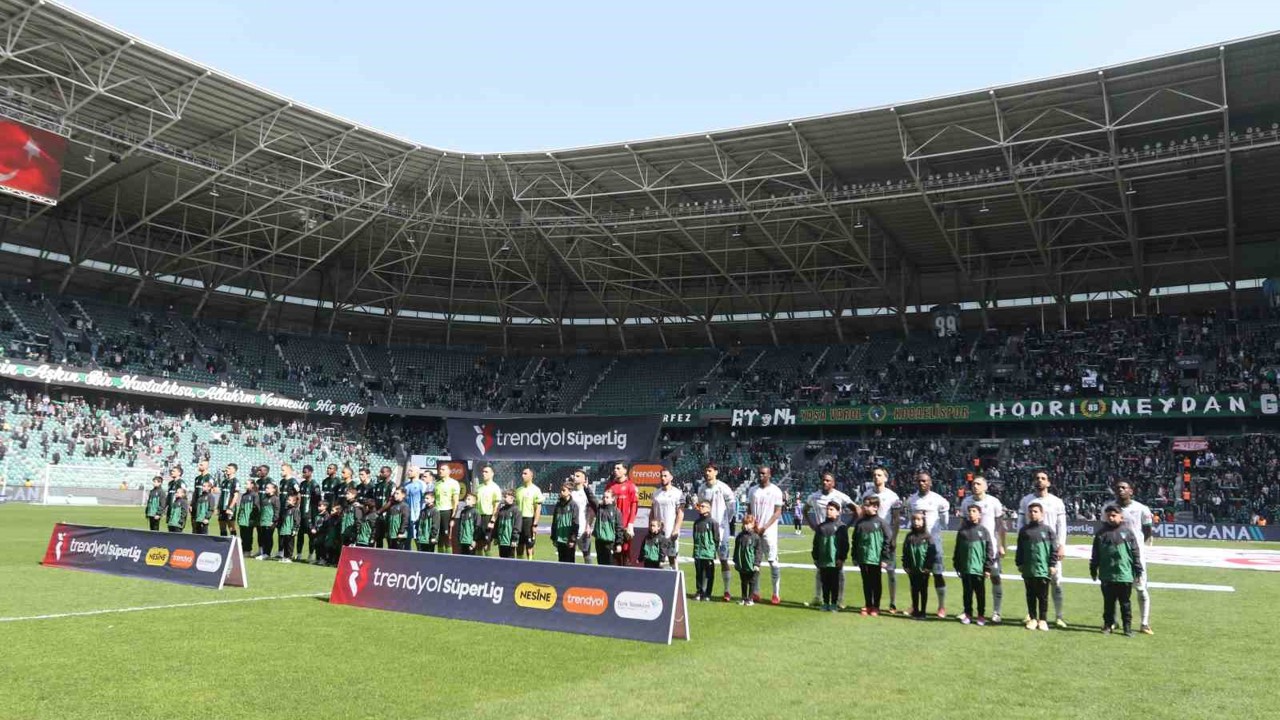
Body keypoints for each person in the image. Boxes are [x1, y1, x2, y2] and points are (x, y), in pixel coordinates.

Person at [1017, 471, 1068, 628]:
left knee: (1055, 581)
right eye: (1037, 478)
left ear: (1049, 482)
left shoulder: (1057, 502)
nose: (1040, 481)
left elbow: (1062, 525)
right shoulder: (1026, 500)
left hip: (1050, 547)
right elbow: (1020, 524)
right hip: (1032, 546)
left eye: (1043, 478)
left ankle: (1058, 616)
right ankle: (1032, 615)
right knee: (1032, 582)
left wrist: (1061, 545)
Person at [1090, 504, 1144, 637]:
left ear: (1121, 516)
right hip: (1107, 574)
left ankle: (1127, 628)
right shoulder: (1101, 534)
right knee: (1108, 603)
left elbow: (1135, 552)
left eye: (1114, 515)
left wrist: (1138, 570)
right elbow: (1095, 554)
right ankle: (1108, 625)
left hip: (1124, 574)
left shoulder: (1128, 533)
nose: (1111, 518)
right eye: (1108, 516)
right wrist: (1093, 568)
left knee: (1125, 603)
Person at [959, 475, 1006, 623]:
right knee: (971, 580)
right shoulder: (966, 502)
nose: (975, 486)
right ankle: (967, 611)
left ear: (985, 487)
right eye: (973, 484)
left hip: (989, 547)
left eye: (979, 484)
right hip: (972, 548)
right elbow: (962, 525)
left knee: (995, 578)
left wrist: (1001, 545)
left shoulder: (994, 502)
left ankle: (996, 612)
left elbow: (1000, 525)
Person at [806, 472, 856, 607]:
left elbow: (856, 510)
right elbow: (805, 510)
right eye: (823, 480)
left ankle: (839, 600)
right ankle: (818, 597)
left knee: (839, 570)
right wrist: (813, 526)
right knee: (820, 570)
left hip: (836, 537)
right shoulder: (814, 496)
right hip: (822, 535)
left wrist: (845, 527)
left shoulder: (840, 496)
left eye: (828, 481)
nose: (825, 482)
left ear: (833, 483)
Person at [906, 471, 950, 618]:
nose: (922, 483)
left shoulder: (939, 500)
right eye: (919, 481)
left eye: (925, 481)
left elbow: (945, 522)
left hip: (933, 543)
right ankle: (914, 605)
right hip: (917, 544)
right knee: (916, 576)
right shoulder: (911, 500)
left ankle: (942, 606)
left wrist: (935, 534)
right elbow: (910, 519)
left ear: (930, 483)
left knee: (937, 574)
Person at [860, 467, 904, 613]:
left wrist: (893, 539)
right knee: (871, 573)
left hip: (886, 538)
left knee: (890, 571)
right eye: (874, 475)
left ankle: (892, 602)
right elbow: (863, 515)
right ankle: (871, 603)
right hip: (871, 540)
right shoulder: (867, 494)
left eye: (879, 475)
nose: (876, 477)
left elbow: (897, 520)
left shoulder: (893, 496)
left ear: (885, 478)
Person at [1115, 480, 1155, 635]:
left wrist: (1137, 548)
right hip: (1116, 555)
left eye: (1124, 487)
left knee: (1140, 588)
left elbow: (1147, 531)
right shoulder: (1109, 508)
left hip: (1135, 556)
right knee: (1115, 589)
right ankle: (1113, 621)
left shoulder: (1142, 509)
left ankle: (1144, 623)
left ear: (1131, 491)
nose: (1120, 490)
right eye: (1118, 487)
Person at [696, 463, 737, 601]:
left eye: (710, 471)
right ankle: (703, 591)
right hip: (706, 531)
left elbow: (732, 506)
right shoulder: (702, 488)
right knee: (705, 561)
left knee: (724, 560)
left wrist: (726, 521)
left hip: (721, 529)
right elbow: (701, 506)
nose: (707, 473)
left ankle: (727, 590)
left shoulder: (723, 487)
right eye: (706, 470)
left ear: (716, 472)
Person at [1016, 502, 1057, 631]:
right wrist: (1019, 563)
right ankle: (1033, 618)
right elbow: (1020, 549)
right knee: (1030, 595)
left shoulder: (1048, 530)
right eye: (1031, 512)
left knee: (1043, 596)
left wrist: (1052, 564)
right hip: (1029, 568)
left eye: (1035, 511)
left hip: (1043, 569)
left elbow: (1053, 549)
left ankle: (1043, 620)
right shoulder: (1024, 531)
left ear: (1041, 513)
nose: (1033, 514)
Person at [746, 465, 785, 604]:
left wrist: (765, 527)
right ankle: (755, 592)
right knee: (755, 562)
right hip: (755, 531)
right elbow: (749, 510)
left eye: (763, 473)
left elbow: (778, 512)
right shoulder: (752, 490)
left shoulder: (776, 491)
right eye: (759, 473)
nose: (760, 475)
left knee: (773, 561)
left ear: (769, 474)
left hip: (769, 532)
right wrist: (752, 525)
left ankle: (775, 593)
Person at [953, 504, 994, 625]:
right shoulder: (962, 531)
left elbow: (989, 550)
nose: (971, 513)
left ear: (979, 514)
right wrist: (957, 564)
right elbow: (957, 549)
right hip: (966, 569)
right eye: (969, 511)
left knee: (980, 593)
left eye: (974, 511)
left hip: (979, 569)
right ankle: (968, 614)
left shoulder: (983, 531)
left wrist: (987, 567)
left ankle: (981, 615)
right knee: (967, 593)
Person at [851, 496, 892, 616]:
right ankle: (868, 604)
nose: (864, 507)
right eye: (864, 505)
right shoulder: (860, 522)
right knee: (866, 582)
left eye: (867, 505)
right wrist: (854, 556)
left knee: (876, 582)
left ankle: (876, 606)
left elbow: (887, 540)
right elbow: (855, 540)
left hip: (876, 558)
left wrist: (884, 558)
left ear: (876, 507)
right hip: (863, 557)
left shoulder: (881, 522)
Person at [811, 501, 849, 612]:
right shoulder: (821, 527)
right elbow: (816, 544)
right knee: (825, 583)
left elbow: (845, 545)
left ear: (838, 512)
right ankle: (825, 602)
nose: (828, 511)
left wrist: (842, 558)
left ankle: (834, 603)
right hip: (823, 560)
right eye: (827, 509)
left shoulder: (841, 527)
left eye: (831, 509)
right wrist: (816, 557)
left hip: (835, 561)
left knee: (835, 583)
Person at [901, 511, 938, 620]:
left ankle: (923, 611)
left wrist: (928, 567)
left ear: (923, 521)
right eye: (914, 519)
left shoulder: (927, 537)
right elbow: (905, 552)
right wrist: (906, 565)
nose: (916, 522)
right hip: (912, 569)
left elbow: (932, 553)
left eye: (919, 519)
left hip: (924, 570)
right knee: (914, 589)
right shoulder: (909, 536)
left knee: (923, 589)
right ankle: (915, 610)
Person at [650, 468, 684, 570]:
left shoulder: (678, 493)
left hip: (670, 531)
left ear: (671, 477)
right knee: (657, 557)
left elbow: (680, 513)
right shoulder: (656, 494)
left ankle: (677, 582)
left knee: (672, 558)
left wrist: (676, 529)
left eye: (665, 476)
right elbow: (652, 512)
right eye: (661, 476)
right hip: (658, 532)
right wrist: (651, 526)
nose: (662, 478)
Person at [606, 463, 639, 565]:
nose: (615, 470)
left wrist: (630, 524)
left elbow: (634, 506)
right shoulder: (610, 486)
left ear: (625, 470)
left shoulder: (631, 486)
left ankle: (626, 578)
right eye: (614, 468)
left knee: (625, 553)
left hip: (624, 527)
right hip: (611, 526)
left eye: (618, 468)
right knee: (613, 555)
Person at [692, 500, 720, 601]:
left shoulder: (713, 522)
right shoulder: (696, 522)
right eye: (700, 506)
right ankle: (699, 591)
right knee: (699, 574)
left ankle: (708, 594)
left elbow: (717, 539)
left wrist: (712, 550)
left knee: (709, 575)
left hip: (708, 553)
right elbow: (694, 537)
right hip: (698, 553)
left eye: (703, 506)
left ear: (709, 508)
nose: (700, 508)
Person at [514, 468, 544, 560]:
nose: (523, 475)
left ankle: (530, 563)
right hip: (518, 520)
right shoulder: (518, 490)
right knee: (519, 544)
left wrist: (535, 524)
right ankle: (519, 564)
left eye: (525, 473)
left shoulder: (536, 490)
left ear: (531, 476)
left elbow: (538, 508)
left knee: (529, 545)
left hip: (529, 520)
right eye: (522, 473)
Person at [473, 464, 503, 556]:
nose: (483, 473)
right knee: (478, 544)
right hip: (478, 517)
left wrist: (493, 520)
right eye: (483, 471)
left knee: (486, 544)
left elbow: (497, 506)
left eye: (486, 472)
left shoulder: (495, 488)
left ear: (492, 474)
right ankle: (478, 565)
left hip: (488, 517)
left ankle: (488, 565)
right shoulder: (479, 487)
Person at [733, 514, 762, 605]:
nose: (746, 526)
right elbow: (736, 549)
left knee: (752, 581)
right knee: (743, 581)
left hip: (752, 563)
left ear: (753, 524)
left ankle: (750, 599)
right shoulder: (740, 536)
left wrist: (756, 564)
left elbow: (758, 551)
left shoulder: (756, 537)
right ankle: (743, 598)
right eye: (745, 523)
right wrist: (736, 561)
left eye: (749, 524)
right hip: (742, 563)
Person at [570, 470, 598, 564]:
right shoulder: (570, 492)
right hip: (571, 529)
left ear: (584, 479)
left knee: (586, 555)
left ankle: (590, 575)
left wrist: (588, 525)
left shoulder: (587, 493)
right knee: (569, 554)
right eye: (574, 475)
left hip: (583, 529)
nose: (575, 477)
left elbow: (592, 511)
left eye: (577, 476)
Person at [434, 465, 461, 552]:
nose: (440, 471)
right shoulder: (437, 483)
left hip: (447, 512)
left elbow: (455, 502)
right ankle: (440, 557)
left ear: (449, 472)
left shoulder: (454, 483)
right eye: (440, 469)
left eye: (443, 469)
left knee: (447, 536)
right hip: (437, 512)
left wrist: (453, 516)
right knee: (438, 537)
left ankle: (449, 558)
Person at [550, 482, 579, 563]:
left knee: (570, 562)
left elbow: (575, 523)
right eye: (561, 490)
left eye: (564, 490)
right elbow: (554, 522)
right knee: (561, 561)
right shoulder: (558, 505)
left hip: (568, 540)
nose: (561, 492)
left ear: (569, 491)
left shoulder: (574, 505)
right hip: (559, 539)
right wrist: (553, 537)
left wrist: (572, 539)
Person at [593, 490, 623, 566]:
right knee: (600, 564)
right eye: (604, 497)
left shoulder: (616, 512)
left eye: (607, 497)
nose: (605, 499)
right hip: (599, 542)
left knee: (609, 564)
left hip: (610, 543)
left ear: (613, 498)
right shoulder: (599, 509)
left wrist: (619, 543)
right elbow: (592, 499)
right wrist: (586, 488)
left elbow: (619, 528)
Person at [298, 465, 321, 562]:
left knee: (311, 536)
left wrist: (313, 515)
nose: (304, 473)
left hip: (310, 515)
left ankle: (311, 554)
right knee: (300, 535)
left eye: (305, 471)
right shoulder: (302, 484)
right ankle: (298, 554)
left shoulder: (314, 485)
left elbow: (317, 502)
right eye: (303, 471)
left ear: (311, 472)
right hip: (301, 514)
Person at [494, 489, 520, 559]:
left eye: (506, 497)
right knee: (502, 558)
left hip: (510, 541)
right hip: (501, 541)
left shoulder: (516, 510)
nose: (504, 498)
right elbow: (497, 525)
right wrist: (496, 537)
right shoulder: (501, 510)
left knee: (510, 560)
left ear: (512, 498)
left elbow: (517, 526)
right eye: (504, 497)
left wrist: (514, 539)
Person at [256, 482, 280, 560]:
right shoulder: (264, 498)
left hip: (270, 522)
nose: (266, 489)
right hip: (263, 521)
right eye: (265, 488)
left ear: (273, 489)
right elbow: (262, 510)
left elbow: (277, 510)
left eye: (268, 488)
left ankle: (267, 553)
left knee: (268, 537)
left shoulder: (275, 499)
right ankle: (264, 552)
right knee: (263, 537)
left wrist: (273, 521)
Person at [235, 480, 258, 556]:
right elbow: (241, 507)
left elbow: (256, 508)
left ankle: (248, 551)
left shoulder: (255, 495)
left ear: (252, 485)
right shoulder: (244, 495)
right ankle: (243, 550)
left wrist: (253, 519)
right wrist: (239, 517)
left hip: (249, 520)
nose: (245, 485)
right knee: (243, 536)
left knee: (248, 536)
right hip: (242, 520)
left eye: (246, 484)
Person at [217, 463, 239, 538]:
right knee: (222, 526)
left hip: (230, 508)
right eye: (227, 468)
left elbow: (236, 496)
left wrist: (230, 508)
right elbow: (221, 495)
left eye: (229, 468)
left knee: (231, 526)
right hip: (222, 507)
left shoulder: (235, 481)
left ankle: (234, 544)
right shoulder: (224, 481)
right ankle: (224, 544)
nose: (227, 469)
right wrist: (218, 507)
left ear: (234, 470)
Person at [278, 493, 300, 564]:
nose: (287, 501)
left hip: (290, 530)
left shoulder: (295, 510)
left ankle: (289, 557)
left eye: (289, 500)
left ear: (294, 502)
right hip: (284, 530)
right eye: (287, 499)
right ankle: (285, 557)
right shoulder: (286, 509)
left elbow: (297, 521)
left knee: (289, 545)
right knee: (284, 544)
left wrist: (295, 529)